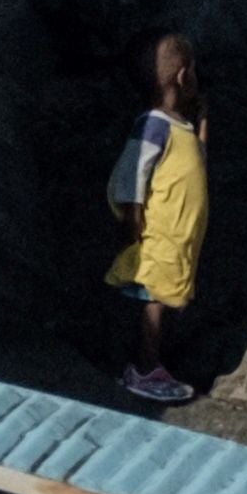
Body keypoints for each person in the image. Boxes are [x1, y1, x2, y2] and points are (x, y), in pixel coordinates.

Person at [105, 35, 213, 405]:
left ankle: (151, 364)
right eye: (194, 70)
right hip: (158, 233)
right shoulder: (153, 124)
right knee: (154, 299)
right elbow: (132, 176)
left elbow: (196, 159)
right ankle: (144, 369)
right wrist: (133, 223)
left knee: (167, 296)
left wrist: (202, 123)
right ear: (182, 76)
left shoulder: (178, 125)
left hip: (179, 237)